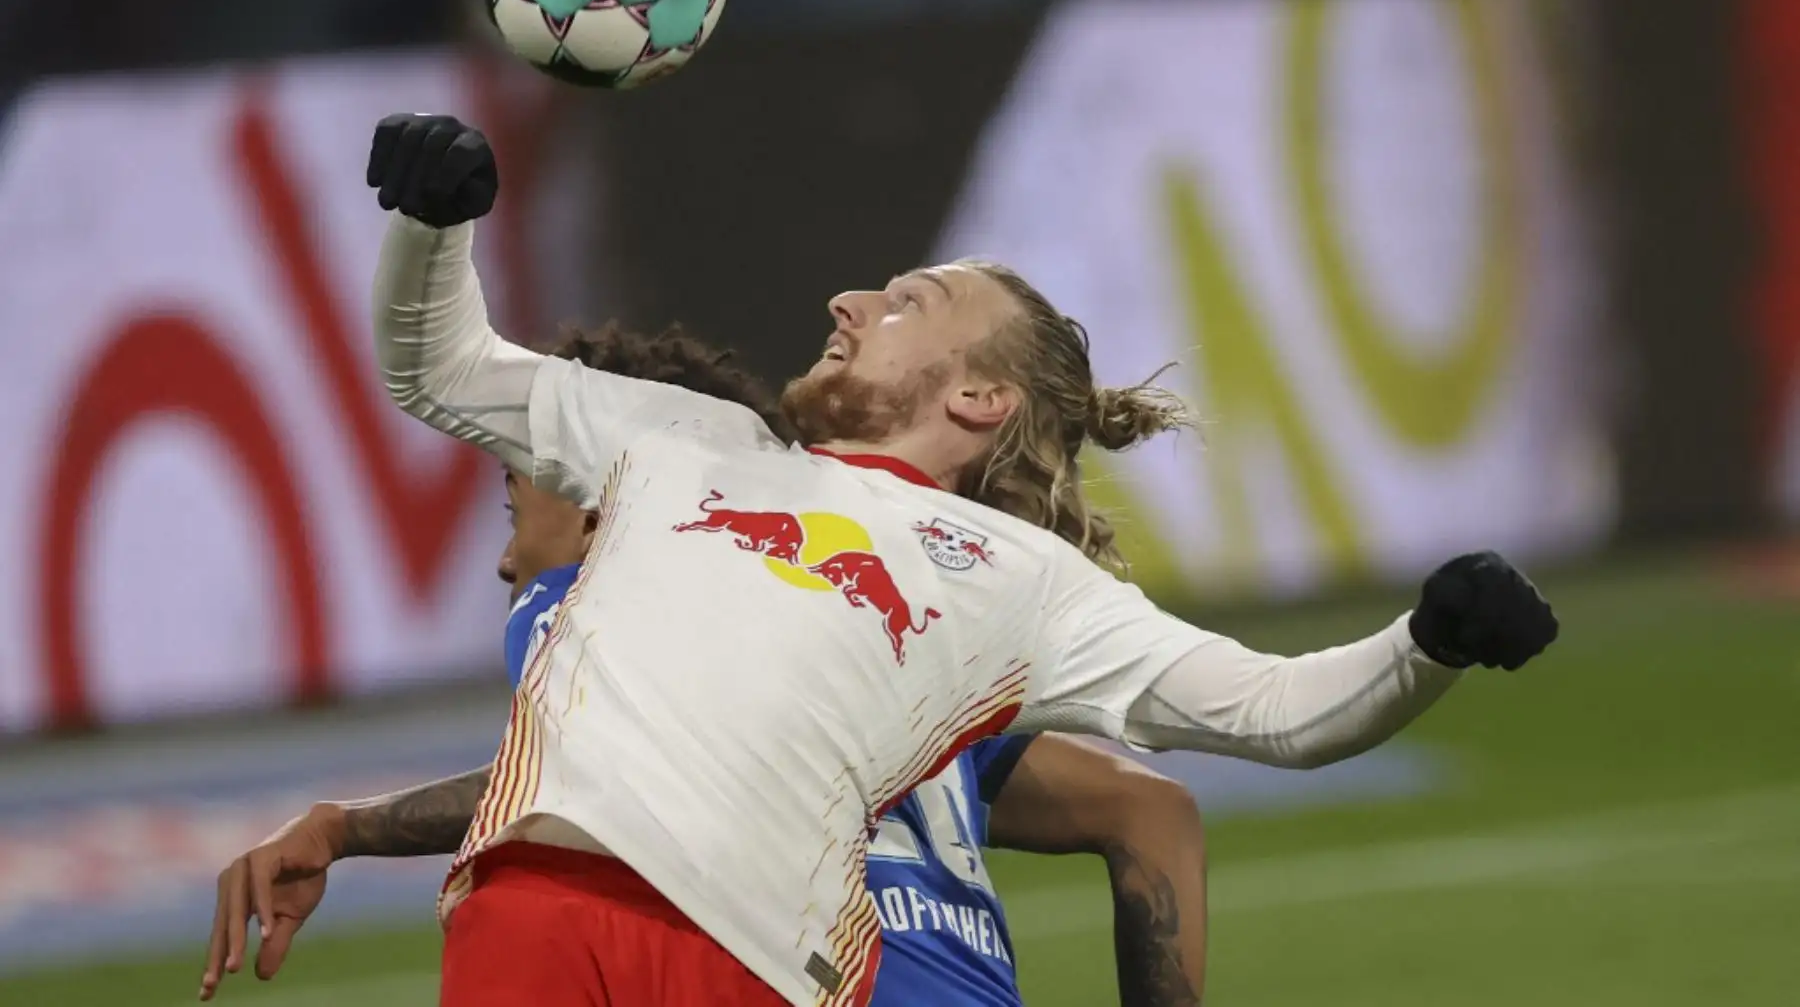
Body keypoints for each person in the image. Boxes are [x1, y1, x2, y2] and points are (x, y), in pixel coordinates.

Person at [225, 113, 1555, 1007]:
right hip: (532, 904)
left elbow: (1278, 712)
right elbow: (438, 367)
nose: (848, 301)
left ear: (978, 400)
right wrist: (432, 221)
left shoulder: (1019, 580)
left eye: (906, 300)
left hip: (762, 962)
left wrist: (1425, 643)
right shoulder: (684, 438)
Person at [202, 324, 1209, 1006]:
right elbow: (1151, 811)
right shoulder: (901, 663)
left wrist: (345, 826)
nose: (508, 558)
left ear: (608, 501)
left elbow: (571, 788)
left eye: (520, 511)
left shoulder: (572, 603)